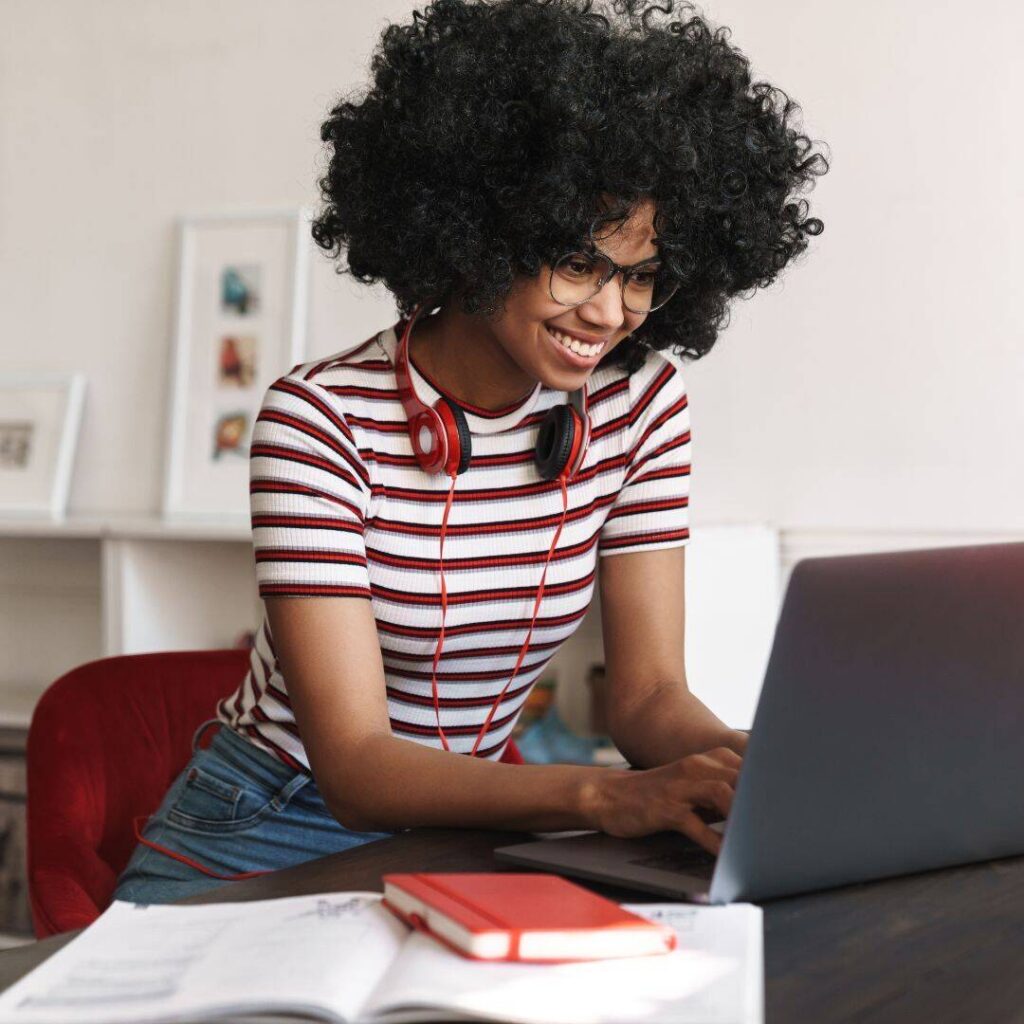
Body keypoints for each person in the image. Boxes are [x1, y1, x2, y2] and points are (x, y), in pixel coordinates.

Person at [114, 0, 828, 903]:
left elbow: (647, 702)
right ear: (480, 236)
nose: (610, 314)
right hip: (267, 825)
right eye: (578, 263)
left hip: (471, 825)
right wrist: (604, 795)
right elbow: (359, 767)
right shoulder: (318, 419)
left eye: (641, 275)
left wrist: (759, 773)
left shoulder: (640, 402)